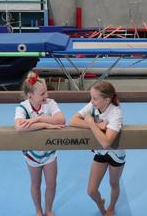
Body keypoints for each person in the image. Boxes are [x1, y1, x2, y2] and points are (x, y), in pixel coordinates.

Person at [14, 72, 65, 216]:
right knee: (36, 184)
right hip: (32, 153)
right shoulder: (22, 108)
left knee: (51, 183)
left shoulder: (50, 103)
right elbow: (19, 127)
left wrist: (37, 120)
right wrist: (46, 125)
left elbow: (61, 120)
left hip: (49, 151)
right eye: (42, 94)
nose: (46, 95)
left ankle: (48, 209)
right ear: (30, 96)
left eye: (46, 91)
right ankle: (38, 210)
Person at [70, 81, 124, 216]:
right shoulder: (93, 106)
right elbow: (73, 121)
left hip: (116, 153)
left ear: (107, 100)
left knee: (114, 184)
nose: (91, 101)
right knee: (91, 190)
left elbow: (106, 143)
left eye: (94, 98)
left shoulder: (116, 114)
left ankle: (111, 207)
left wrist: (90, 123)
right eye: (91, 97)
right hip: (100, 152)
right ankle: (100, 201)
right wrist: (96, 125)